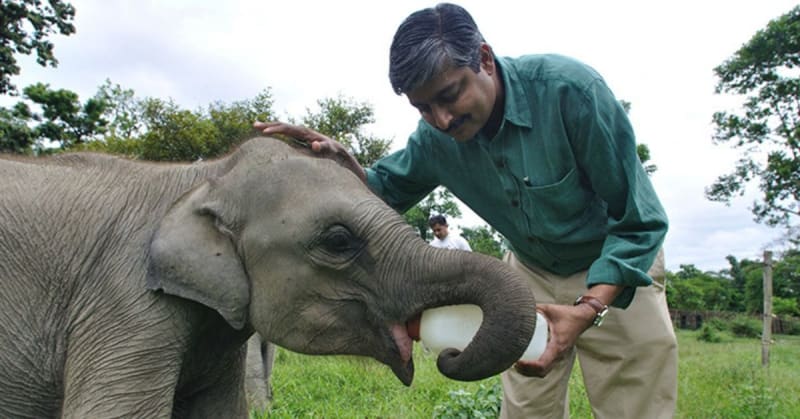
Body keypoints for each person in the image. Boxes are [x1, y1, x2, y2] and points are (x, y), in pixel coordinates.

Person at [255, 3, 677, 418]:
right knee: (527, 408)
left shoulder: (571, 93)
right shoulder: (434, 140)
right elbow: (380, 192)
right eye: (423, 108)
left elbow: (640, 222)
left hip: (615, 270)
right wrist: (337, 169)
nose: (440, 119)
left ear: (485, 60)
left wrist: (589, 308)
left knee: (635, 406)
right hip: (530, 272)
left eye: (449, 94)